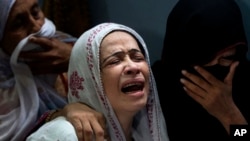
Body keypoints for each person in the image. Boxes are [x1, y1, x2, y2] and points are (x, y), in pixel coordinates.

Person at [26, 22, 169, 141]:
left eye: (137, 58)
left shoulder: (144, 133)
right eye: (115, 61)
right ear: (91, 79)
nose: (133, 67)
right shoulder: (65, 135)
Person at [0, 0, 106, 141]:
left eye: (35, 13)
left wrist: (75, 60)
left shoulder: (73, 47)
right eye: (18, 24)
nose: (36, 27)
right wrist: (62, 114)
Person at [152, 0, 250, 140]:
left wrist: (230, 116)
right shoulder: (154, 87)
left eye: (226, 58)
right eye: (203, 58)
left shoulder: (244, 79)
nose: (214, 67)